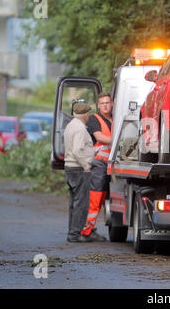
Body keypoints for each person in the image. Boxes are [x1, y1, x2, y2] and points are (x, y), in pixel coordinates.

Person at [80, 93, 113, 241]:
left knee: (102, 199)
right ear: (98, 106)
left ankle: (90, 229)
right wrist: (119, 140)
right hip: (99, 163)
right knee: (95, 197)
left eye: (107, 102)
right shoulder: (94, 119)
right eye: (102, 103)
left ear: (111, 104)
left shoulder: (113, 119)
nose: (105, 105)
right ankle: (86, 231)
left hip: (110, 164)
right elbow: (99, 137)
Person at [64, 102, 95, 243]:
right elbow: (77, 150)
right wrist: (85, 165)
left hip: (69, 167)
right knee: (81, 203)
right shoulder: (80, 129)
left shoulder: (70, 126)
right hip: (79, 168)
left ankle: (72, 231)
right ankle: (75, 234)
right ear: (86, 114)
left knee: (73, 202)